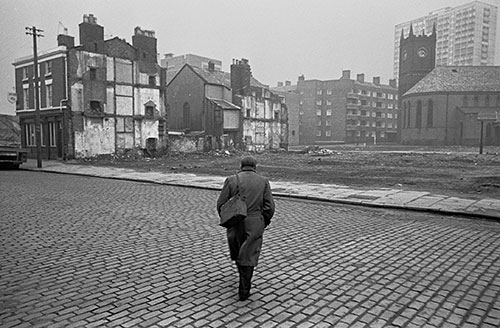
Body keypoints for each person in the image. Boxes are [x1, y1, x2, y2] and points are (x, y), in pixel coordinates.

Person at [217, 156, 275, 301]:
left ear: (241, 166)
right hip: (255, 222)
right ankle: (244, 289)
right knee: (249, 254)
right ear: (255, 166)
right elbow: (270, 207)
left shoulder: (231, 180)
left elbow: (221, 204)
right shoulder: (263, 181)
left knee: (239, 252)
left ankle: (243, 281)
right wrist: (263, 221)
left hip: (236, 221)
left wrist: (228, 219)